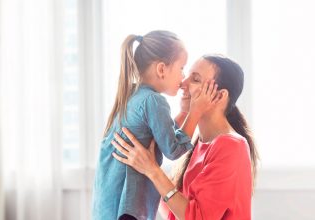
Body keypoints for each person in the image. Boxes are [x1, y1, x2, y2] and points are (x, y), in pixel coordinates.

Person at [112, 54, 259, 220]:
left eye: (195, 79)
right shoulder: (198, 142)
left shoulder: (232, 146)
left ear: (219, 96)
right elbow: (174, 212)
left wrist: (153, 171)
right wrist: (147, 165)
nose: (183, 83)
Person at [92, 31, 221, 220]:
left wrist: (185, 112)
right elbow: (173, 148)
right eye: (182, 68)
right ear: (161, 69)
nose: (183, 78)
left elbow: (162, 133)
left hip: (107, 205)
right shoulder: (154, 101)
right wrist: (195, 112)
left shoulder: (132, 95)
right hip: (127, 207)